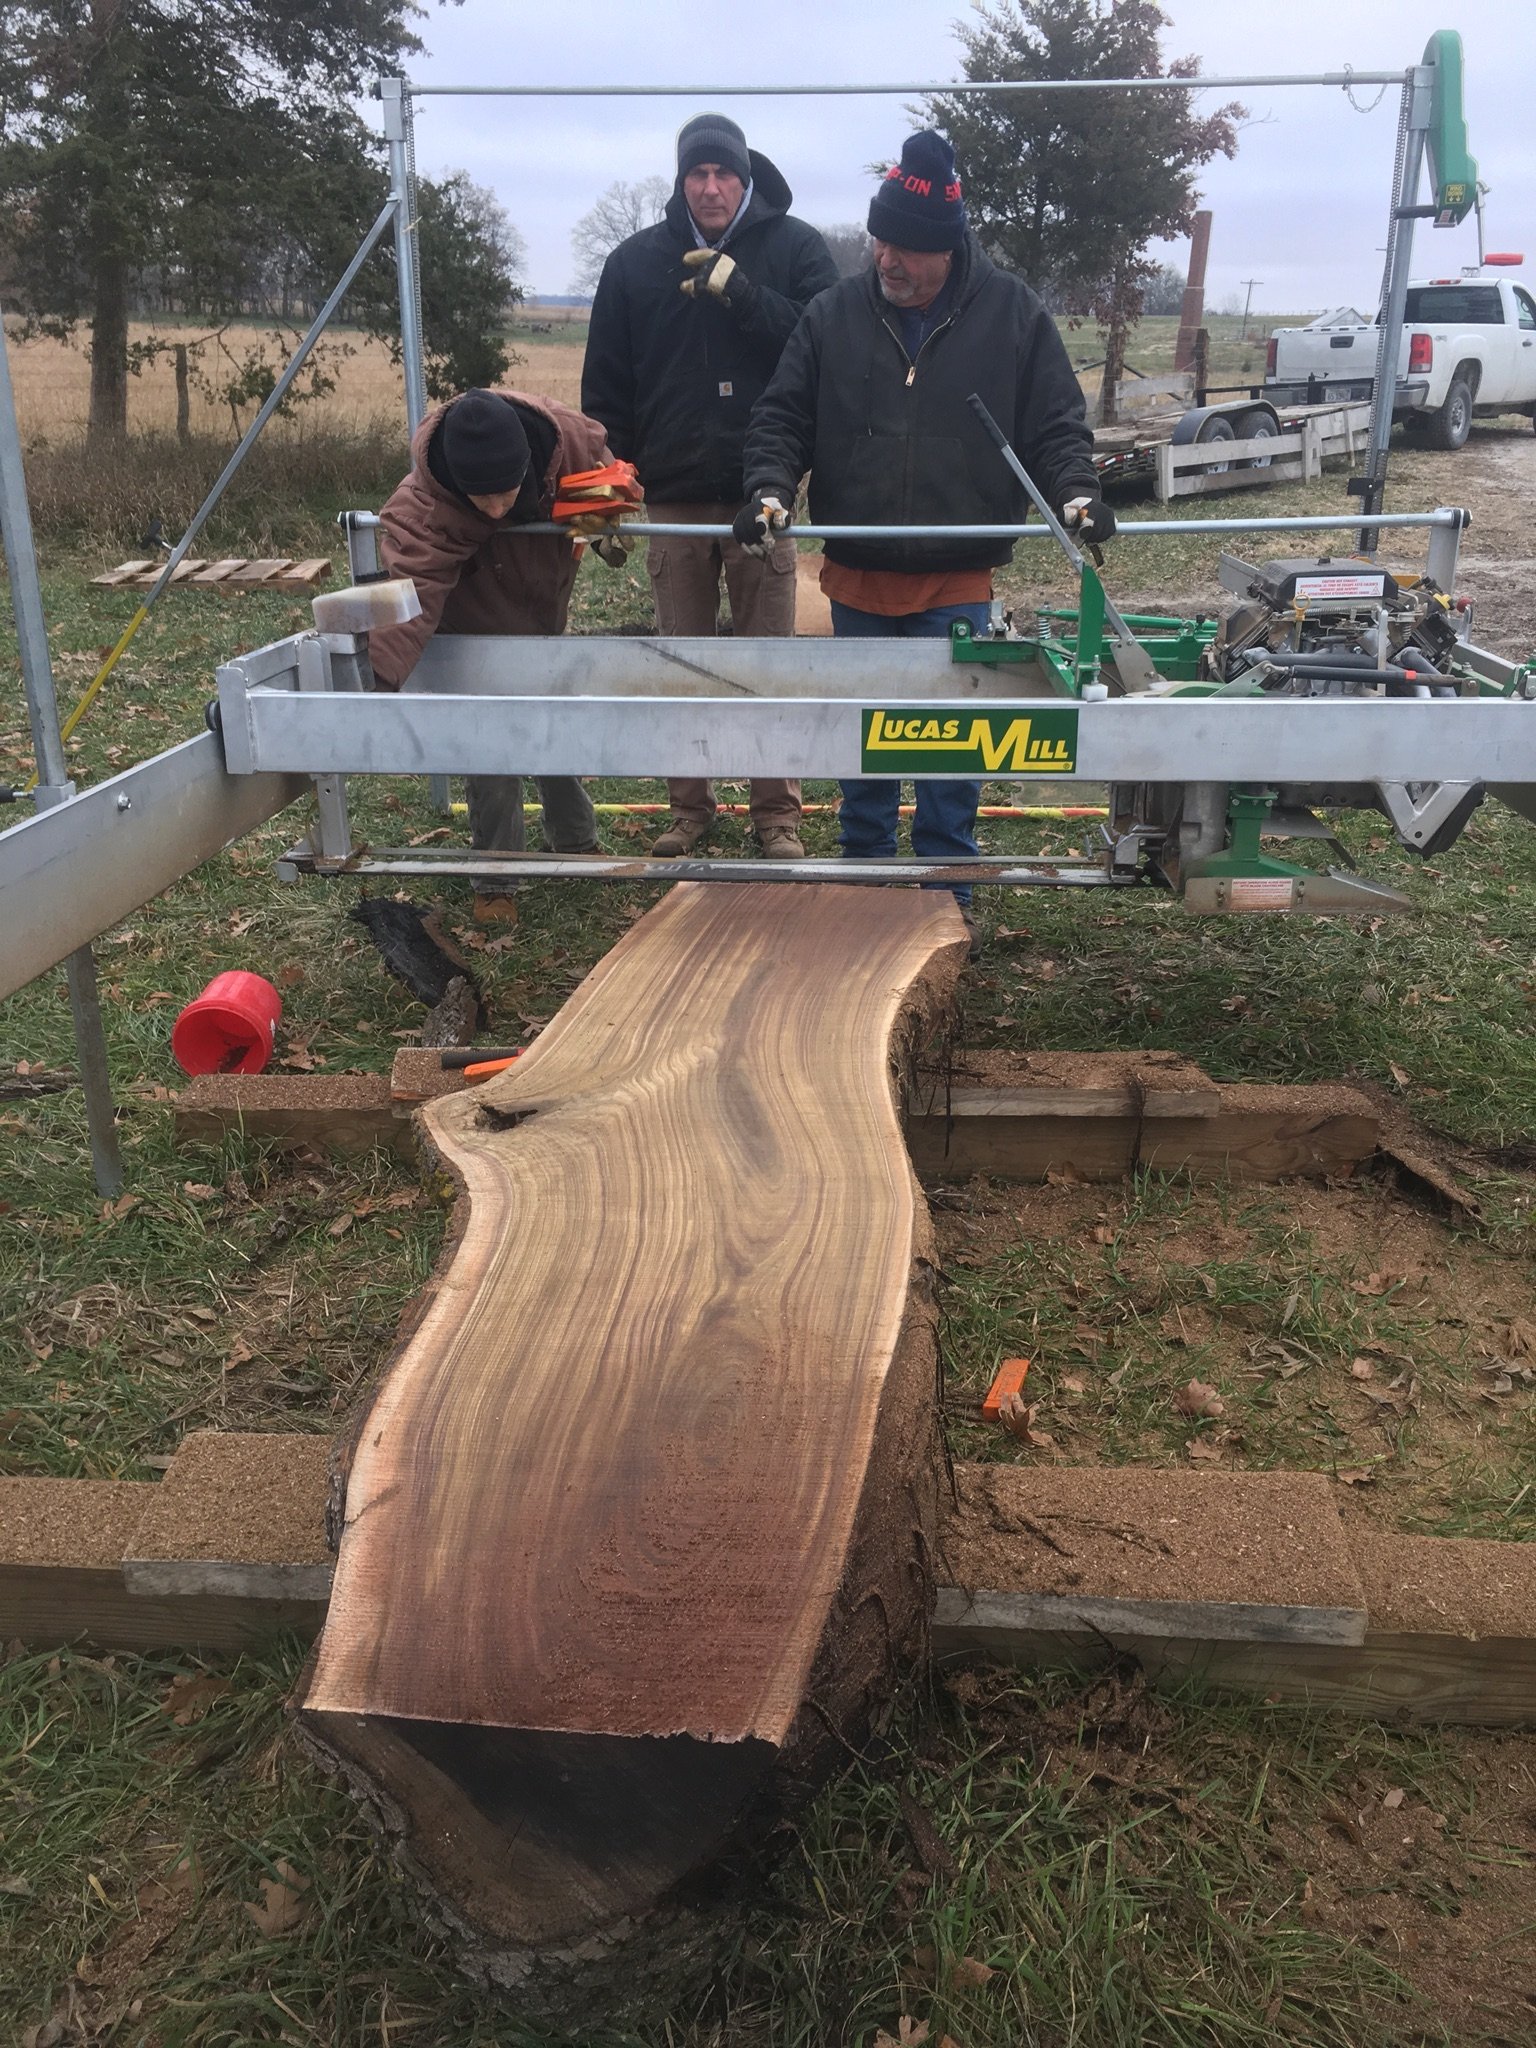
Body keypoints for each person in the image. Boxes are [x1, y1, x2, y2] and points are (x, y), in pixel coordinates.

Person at [738, 130, 1115, 953]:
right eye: (881, 241)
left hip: (957, 579)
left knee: (951, 752)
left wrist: (1077, 492)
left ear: (948, 248)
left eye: (906, 247)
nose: (887, 259)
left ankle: (948, 905)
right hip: (858, 579)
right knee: (865, 743)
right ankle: (864, 891)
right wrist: (769, 486)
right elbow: (782, 416)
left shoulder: (1011, 315)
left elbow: (1055, 424)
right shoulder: (832, 315)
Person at [582, 112, 838, 860]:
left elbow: (828, 346)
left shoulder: (796, 249)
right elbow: (607, 391)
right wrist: (604, 495)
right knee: (681, 661)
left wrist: (746, 294)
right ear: (681, 181)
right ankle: (689, 807)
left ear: (745, 178)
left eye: (724, 172)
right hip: (674, 498)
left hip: (765, 500)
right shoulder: (634, 264)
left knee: (768, 662)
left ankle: (776, 814)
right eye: (698, 173)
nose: (711, 186)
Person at [368, 387, 615, 924]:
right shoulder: (424, 509)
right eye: (483, 501)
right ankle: (497, 878)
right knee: (492, 750)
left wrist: (601, 527)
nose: (499, 510)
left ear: (528, 465)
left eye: (507, 494)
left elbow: (607, 480)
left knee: (553, 727)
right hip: (473, 629)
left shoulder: (569, 445)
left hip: (541, 616)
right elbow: (405, 607)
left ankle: (576, 842)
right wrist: (375, 689)